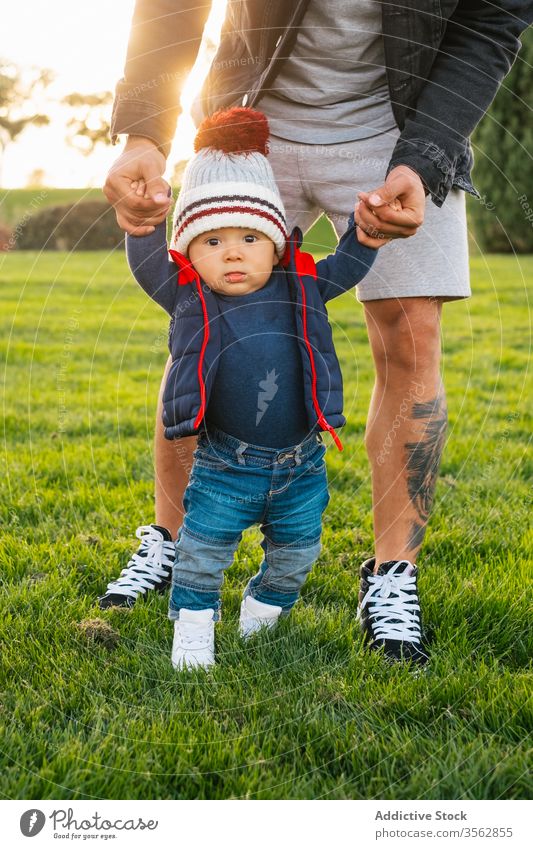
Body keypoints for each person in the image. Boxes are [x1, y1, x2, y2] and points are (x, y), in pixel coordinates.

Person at [101, 0, 533, 665]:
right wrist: (142, 131)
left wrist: (420, 161)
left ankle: (391, 578)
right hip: (248, 118)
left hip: (399, 128)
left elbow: (486, 24)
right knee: (202, 318)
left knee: (411, 335)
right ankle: (169, 537)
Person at [106, 106, 386, 669]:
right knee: (201, 555)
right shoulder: (192, 299)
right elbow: (148, 267)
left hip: (302, 464)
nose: (232, 251)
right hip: (224, 468)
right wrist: (144, 224)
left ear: (278, 243)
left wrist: (367, 233)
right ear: (189, 254)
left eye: (249, 237)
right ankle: (192, 633)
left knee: (298, 551)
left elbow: (350, 264)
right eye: (211, 242)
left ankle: (263, 612)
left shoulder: (303, 286)